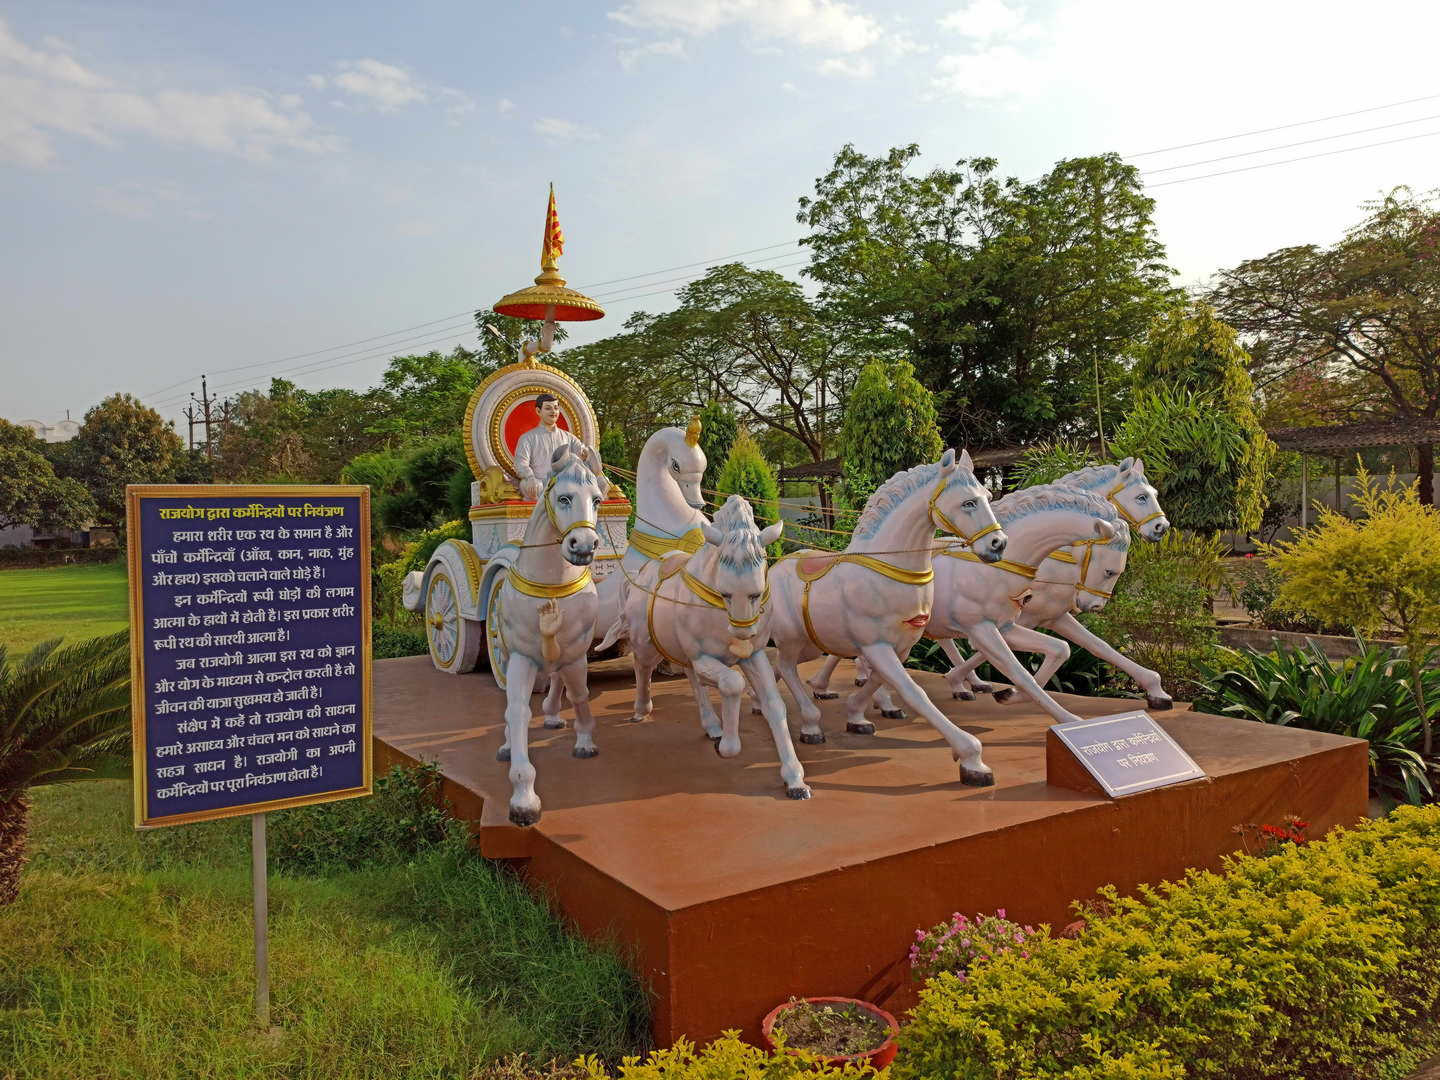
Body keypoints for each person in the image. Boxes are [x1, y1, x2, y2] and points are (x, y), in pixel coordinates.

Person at [512, 393, 604, 499]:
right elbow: (521, 464)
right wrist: (530, 477)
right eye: (548, 408)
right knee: (528, 485)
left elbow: (583, 453)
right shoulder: (528, 438)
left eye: (556, 408)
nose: (553, 412)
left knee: (600, 482)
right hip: (540, 484)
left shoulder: (569, 437)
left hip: (566, 483)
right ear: (538, 411)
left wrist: (587, 454)